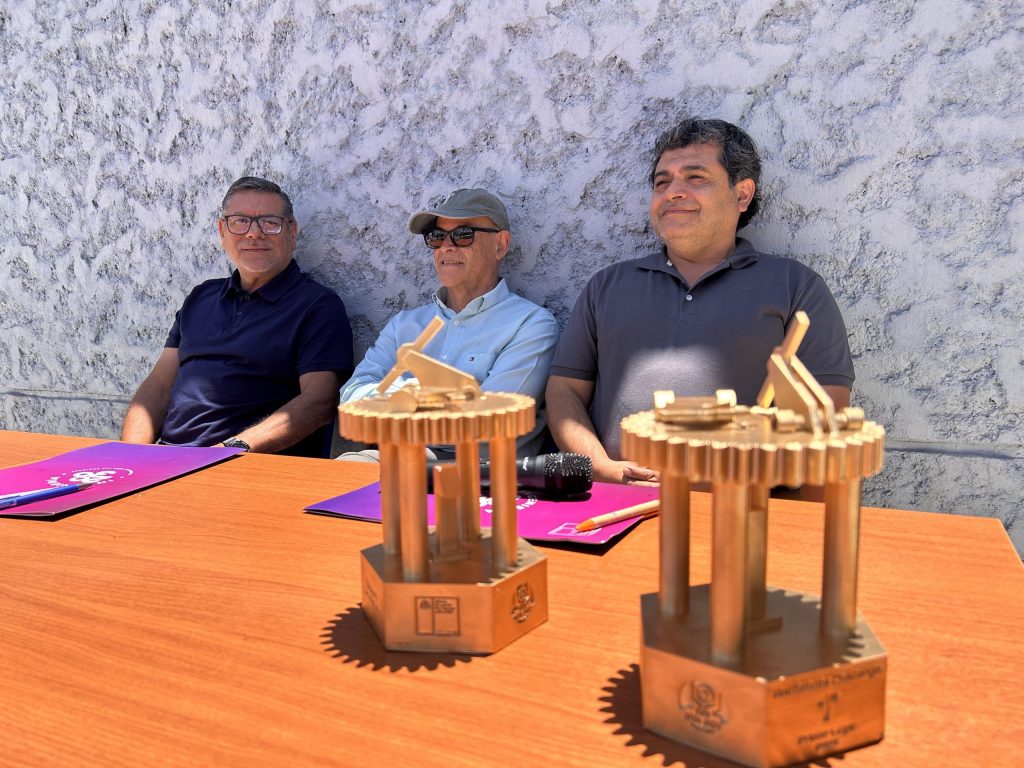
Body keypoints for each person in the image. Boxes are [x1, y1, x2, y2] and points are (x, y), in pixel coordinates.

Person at [546, 117, 855, 484]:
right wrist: (601, 469)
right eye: (662, 182)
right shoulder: (607, 285)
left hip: (742, 506)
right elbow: (564, 391)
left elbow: (826, 414)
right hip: (618, 504)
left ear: (742, 194)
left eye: (695, 177)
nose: (672, 192)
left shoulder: (795, 286)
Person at [121, 176, 353, 457]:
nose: (254, 233)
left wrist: (225, 452)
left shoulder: (317, 305)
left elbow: (320, 401)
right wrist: (132, 457)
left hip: (246, 465)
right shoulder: (200, 298)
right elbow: (158, 387)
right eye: (240, 221)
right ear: (222, 231)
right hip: (168, 460)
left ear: (292, 232)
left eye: (270, 222)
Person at [340, 188, 558, 459]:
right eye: (436, 236)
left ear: (500, 245)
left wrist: (399, 402)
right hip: (393, 462)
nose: (446, 246)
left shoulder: (530, 325)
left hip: (479, 475)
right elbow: (351, 396)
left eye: (463, 234)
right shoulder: (404, 325)